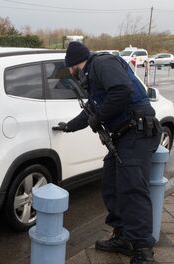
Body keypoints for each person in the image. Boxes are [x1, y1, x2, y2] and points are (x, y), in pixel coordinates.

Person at [54, 42, 161, 264]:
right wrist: (69, 126)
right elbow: (91, 111)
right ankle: (123, 236)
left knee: (132, 189)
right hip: (123, 137)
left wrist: (98, 116)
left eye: (70, 70)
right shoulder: (92, 78)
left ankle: (142, 250)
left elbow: (122, 91)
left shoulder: (102, 63)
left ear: (74, 65)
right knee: (112, 186)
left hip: (137, 132)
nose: (71, 74)